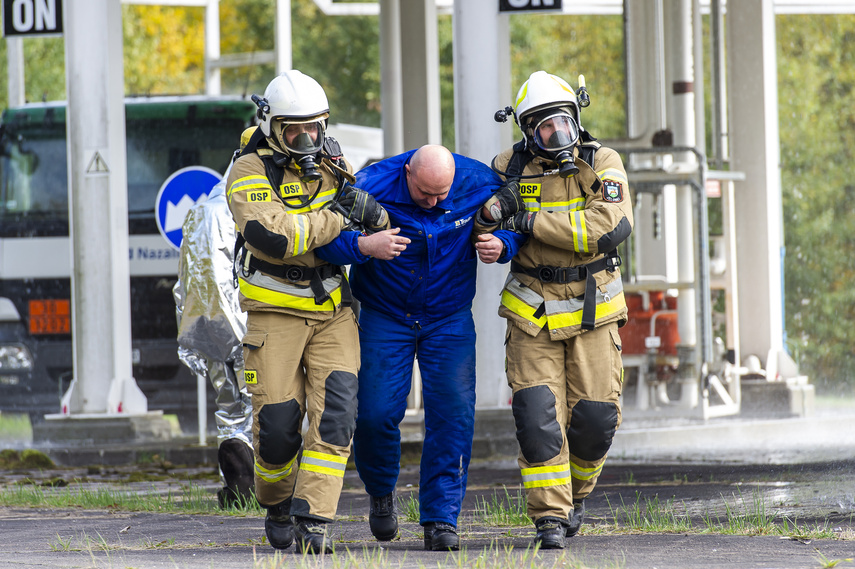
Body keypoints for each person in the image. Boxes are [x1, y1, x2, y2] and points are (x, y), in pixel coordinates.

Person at [225, 69, 395, 554]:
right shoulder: (249, 170)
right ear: (273, 128)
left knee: (337, 415)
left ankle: (314, 518)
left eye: (315, 128)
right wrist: (339, 216)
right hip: (274, 309)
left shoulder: (332, 161)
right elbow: (275, 238)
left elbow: (362, 217)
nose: (307, 138)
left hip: (332, 309)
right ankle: (276, 501)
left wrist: (367, 212)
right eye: (295, 130)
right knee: (278, 428)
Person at [473, 70, 634, 549]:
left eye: (562, 123)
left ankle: (577, 494)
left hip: (593, 310)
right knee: (537, 417)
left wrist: (530, 219)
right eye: (543, 127)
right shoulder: (506, 167)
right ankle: (550, 518)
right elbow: (490, 224)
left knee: (596, 421)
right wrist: (494, 231)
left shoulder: (602, 160)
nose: (555, 135)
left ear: (577, 118)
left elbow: (606, 228)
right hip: (532, 313)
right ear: (526, 130)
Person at [315, 144, 504, 551]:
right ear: (407, 175)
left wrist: (501, 240)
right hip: (386, 315)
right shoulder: (370, 184)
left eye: (442, 195)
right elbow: (325, 242)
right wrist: (366, 248)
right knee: (374, 415)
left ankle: (441, 520)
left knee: (452, 415)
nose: (435, 202)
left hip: (449, 318)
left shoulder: (477, 180)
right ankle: (381, 492)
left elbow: (519, 210)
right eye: (425, 194)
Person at [174, 126, 257, 510]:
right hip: (242, 331)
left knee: (238, 411)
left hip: (231, 329)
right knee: (244, 408)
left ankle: (246, 488)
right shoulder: (220, 211)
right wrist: (239, 341)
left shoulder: (211, 209)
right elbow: (207, 282)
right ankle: (248, 488)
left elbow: (189, 281)